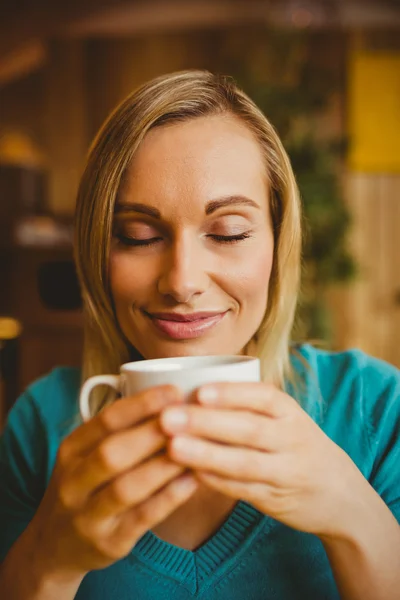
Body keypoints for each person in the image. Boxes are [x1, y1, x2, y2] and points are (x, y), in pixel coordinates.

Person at [0, 70, 399, 600]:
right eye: (138, 236)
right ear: (99, 250)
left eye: (228, 232)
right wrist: (48, 562)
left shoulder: (375, 410)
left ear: (277, 245)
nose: (183, 282)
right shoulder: (40, 426)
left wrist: (350, 510)